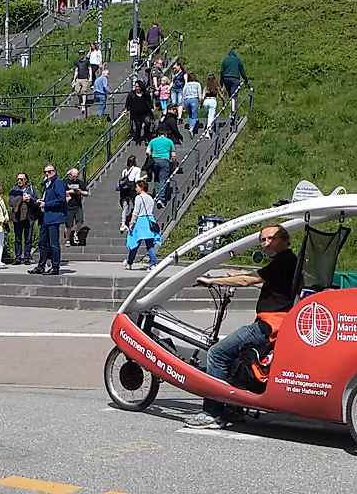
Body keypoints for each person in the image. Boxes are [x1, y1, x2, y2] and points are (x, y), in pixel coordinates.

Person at [185, 225, 299, 429]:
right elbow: (264, 282)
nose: (266, 244)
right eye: (263, 240)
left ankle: (213, 413)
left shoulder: (284, 261)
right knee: (236, 355)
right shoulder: (287, 262)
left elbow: (248, 280)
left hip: (268, 326)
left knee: (217, 353)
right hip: (274, 323)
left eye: (271, 239)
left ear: (285, 240)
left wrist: (214, 281)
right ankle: (233, 408)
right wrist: (235, 275)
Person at [29, 163, 66, 275]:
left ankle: (55, 267)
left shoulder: (58, 182)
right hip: (46, 217)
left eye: (50, 171)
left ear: (55, 172)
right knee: (42, 242)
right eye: (45, 172)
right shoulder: (47, 184)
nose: (47, 174)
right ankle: (41, 265)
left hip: (53, 216)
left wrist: (46, 204)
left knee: (53, 243)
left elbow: (61, 200)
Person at [122, 180, 160, 271]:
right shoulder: (150, 198)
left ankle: (129, 263)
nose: (135, 189)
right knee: (150, 244)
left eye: (137, 187)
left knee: (134, 243)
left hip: (141, 221)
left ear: (141, 187)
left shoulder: (139, 198)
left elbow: (135, 212)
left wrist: (131, 223)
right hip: (150, 220)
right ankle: (153, 264)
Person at [8, 173, 39, 264]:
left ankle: (26, 257)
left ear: (26, 180)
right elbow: (11, 203)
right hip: (17, 217)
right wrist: (21, 198)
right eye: (18, 179)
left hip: (29, 217)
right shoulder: (13, 190)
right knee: (18, 238)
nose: (19, 181)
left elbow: (37, 201)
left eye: (22, 179)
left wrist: (31, 199)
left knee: (28, 238)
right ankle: (17, 258)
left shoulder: (32, 189)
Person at [147, 128, 176, 207]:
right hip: (164, 161)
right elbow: (173, 155)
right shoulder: (169, 141)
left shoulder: (153, 141)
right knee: (163, 179)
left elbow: (147, 151)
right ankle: (160, 198)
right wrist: (174, 164)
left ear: (158, 134)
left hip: (155, 161)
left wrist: (150, 158)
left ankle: (156, 195)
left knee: (156, 178)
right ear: (165, 135)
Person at [219, 49, 248, 120]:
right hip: (235, 79)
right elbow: (242, 71)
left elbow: (222, 72)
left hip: (226, 79)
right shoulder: (238, 60)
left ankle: (232, 110)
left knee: (230, 95)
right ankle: (233, 112)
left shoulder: (225, 60)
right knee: (234, 95)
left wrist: (221, 84)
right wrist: (246, 79)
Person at [118, 155, 143, 233]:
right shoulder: (137, 169)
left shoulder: (124, 171)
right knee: (136, 205)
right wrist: (144, 177)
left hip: (124, 190)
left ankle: (123, 224)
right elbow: (137, 180)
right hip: (132, 190)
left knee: (125, 207)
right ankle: (135, 221)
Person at [63, 168, 89, 246]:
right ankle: (68, 240)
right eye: (73, 176)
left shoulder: (80, 183)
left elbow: (87, 193)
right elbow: (61, 193)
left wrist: (80, 192)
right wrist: (70, 192)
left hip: (78, 206)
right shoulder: (65, 183)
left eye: (76, 176)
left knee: (80, 221)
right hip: (68, 206)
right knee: (68, 225)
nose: (75, 178)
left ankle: (75, 234)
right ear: (70, 175)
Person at [126, 80, 154, 145]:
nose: (137, 88)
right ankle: (137, 139)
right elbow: (128, 103)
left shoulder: (145, 93)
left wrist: (151, 108)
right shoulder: (131, 94)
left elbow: (149, 102)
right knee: (138, 126)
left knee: (148, 122)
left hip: (145, 113)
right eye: (136, 86)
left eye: (138, 86)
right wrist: (126, 109)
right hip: (136, 114)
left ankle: (146, 136)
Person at [182, 72, 202, 137]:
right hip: (194, 99)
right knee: (194, 115)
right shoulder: (197, 84)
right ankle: (191, 128)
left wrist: (183, 104)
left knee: (190, 115)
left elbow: (183, 94)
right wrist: (200, 101)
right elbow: (199, 93)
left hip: (187, 100)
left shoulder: (186, 85)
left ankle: (191, 126)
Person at [72, 50, 92, 114]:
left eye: (82, 54)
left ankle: (83, 104)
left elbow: (90, 69)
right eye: (80, 54)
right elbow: (76, 71)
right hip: (79, 78)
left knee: (84, 91)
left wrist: (90, 77)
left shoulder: (87, 62)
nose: (81, 55)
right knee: (77, 91)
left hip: (85, 78)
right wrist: (74, 79)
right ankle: (80, 101)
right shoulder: (78, 62)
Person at [203, 73, 222, 139]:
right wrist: (224, 101)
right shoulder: (215, 87)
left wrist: (201, 103)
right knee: (211, 117)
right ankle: (208, 132)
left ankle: (209, 126)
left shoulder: (206, 87)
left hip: (206, 101)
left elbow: (203, 96)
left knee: (208, 115)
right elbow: (221, 95)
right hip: (212, 101)